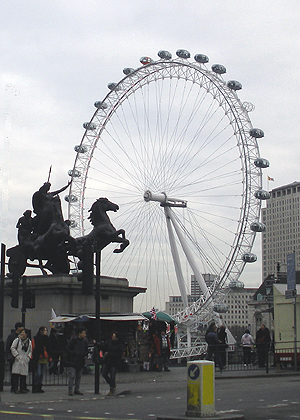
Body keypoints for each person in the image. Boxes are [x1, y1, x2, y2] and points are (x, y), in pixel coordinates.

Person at [65, 328, 88, 396]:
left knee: (78, 376)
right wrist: (74, 353)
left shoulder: (84, 342)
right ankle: (70, 390)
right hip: (74, 360)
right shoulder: (74, 341)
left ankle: (76, 389)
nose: (84, 335)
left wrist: (85, 354)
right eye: (83, 333)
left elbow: (86, 350)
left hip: (80, 360)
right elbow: (67, 348)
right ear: (79, 333)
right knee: (72, 375)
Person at [6, 322, 28, 392]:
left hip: (22, 356)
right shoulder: (12, 336)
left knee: (22, 372)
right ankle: (14, 387)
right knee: (15, 373)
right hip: (14, 357)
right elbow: (9, 347)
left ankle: (22, 386)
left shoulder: (23, 337)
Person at [10, 329, 32, 393]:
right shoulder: (17, 340)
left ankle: (22, 388)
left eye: (24, 332)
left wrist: (28, 357)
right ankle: (15, 388)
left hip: (24, 359)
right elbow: (12, 348)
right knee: (16, 375)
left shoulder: (28, 341)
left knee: (23, 375)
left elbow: (30, 350)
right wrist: (16, 356)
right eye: (21, 332)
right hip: (18, 358)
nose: (22, 334)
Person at [32, 326, 52, 393]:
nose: (46, 332)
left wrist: (50, 356)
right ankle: (35, 386)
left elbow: (49, 348)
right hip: (38, 356)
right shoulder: (36, 338)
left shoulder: (47, 339)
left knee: (42, 373)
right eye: (44, 330)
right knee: (38, 373)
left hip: (45, 357)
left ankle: (39, 386)